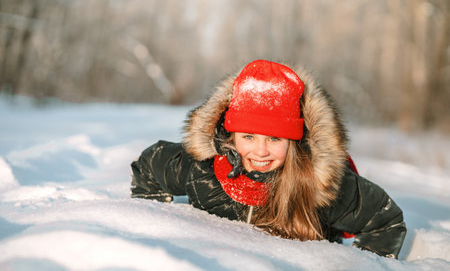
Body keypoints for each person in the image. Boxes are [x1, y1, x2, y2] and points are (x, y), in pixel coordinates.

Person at [130, 60, 406, 258]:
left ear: (293, 141)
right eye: (248, 137)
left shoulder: (317, 186)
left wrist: (356, 264)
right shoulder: (202, 170)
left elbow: (385, 220)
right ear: (229, 134)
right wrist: (152, 228)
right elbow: (150, 166)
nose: (260, 152)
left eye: (275, 139)